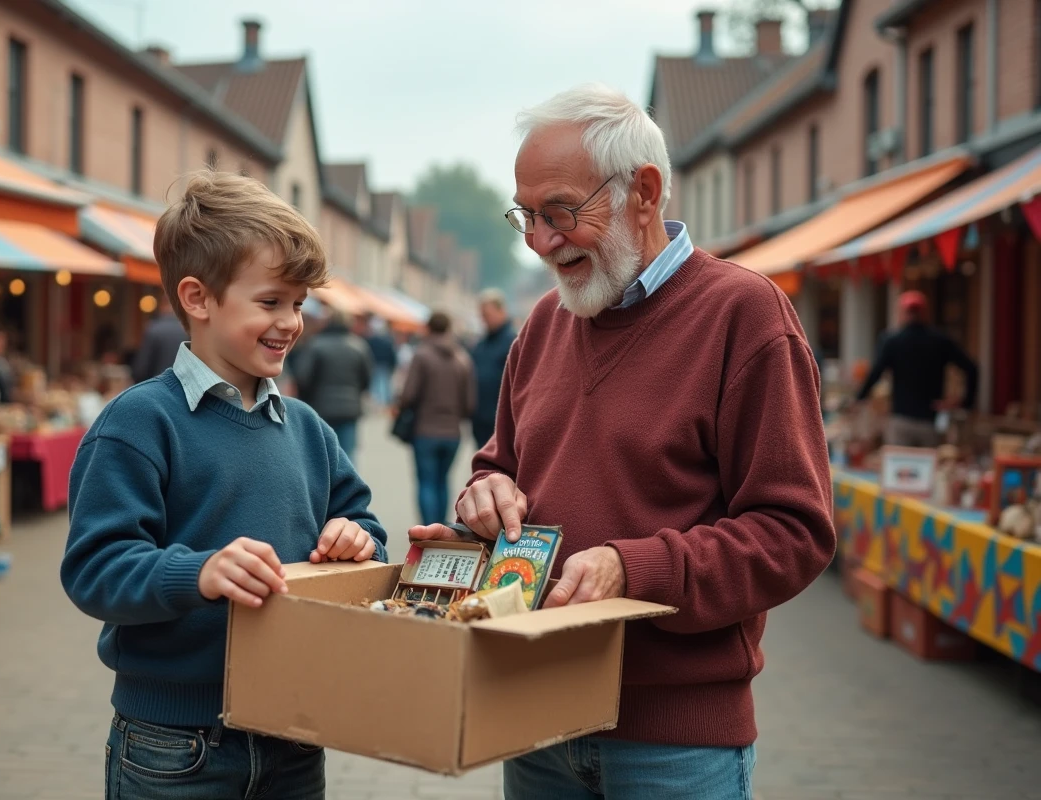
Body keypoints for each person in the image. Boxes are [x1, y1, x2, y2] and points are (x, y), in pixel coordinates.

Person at [409, 85, 834, 799]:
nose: (542, 242)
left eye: (561, 213)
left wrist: (633, 569)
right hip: (535, 715)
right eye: (527, 217)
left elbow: (793, 533)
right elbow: (503, 464)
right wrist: (483, 498)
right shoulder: (543, 324)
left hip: (674, 743)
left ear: (644, 191)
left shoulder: (746, 315)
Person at [60, 171, 388, 800]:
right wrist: (198, 573)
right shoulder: (137, 422)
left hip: (294, 732)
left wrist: (357, 538)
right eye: (271, 302)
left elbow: (365, 524)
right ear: (198, 298)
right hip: (174, 742)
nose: (291, 322)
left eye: (298, 304)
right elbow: (95, 569)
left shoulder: (308, 428)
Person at [854, 290, 978, 448]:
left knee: (899, 468)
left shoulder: (892, 341)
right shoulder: (940, 341)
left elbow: (875, 373)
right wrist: (966, 403)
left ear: (902, 313)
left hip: (901, 418)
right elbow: (971, 368)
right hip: (930, 420)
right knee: (927, 467)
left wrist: (859, 397)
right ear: (925, 312)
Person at [398, 311, 476, 525]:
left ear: (429, 328)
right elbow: (470, 404)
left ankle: (428, 529)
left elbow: (408, 395)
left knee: (426, 482)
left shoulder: (422, 355)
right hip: (453, 432)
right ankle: (441, 526)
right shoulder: (462, 358)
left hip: (425, 429)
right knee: (442, 481)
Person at [294, 309, 373, 460]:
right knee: (347, 456)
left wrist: (306, 398)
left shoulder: (315, 344)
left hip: (319, 407)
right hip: (349, 409)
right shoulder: (359, 346)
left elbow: (303, 377)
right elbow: (366, 378)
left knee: (319, 455)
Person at [469, 288, 516, 448]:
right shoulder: (481, 344)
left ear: (501, 310)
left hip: (501, 422)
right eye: (481, 316)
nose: (483, 320)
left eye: (487, 315)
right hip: (480, 419)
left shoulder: (514, 342)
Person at [131, 294, 186, 382]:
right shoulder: (189, 330)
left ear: (162, 305)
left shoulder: (153, 329)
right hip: (184, 386)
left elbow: (141, 369)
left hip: (157, 385)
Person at [361, 314, 398, 409]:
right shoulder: (387, 340)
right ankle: (382, 404)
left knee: (377, 385)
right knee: (383, 385)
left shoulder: (371, 340)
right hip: (383, 365)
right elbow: (392, 354)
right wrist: (392, 365)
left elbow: (367, 353)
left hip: (375, 364)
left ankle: (377, 403)